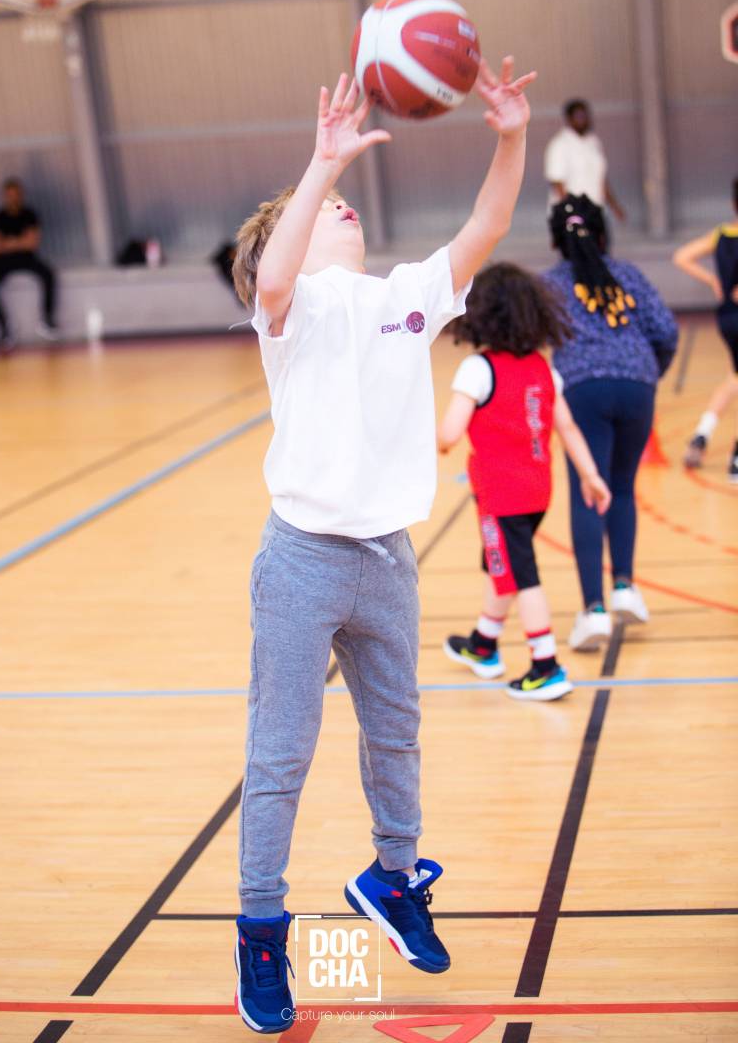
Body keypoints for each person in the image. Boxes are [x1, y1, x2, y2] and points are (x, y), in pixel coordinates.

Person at [230, 58, 536, 1035]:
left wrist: (510, 136)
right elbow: (273, 269)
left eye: (344, 201)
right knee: (280, 757)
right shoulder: (292, 311)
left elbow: (484, 230)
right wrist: (317, 165)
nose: (345, 210)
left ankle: (391, 880)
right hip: (300, 560)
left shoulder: (405, 296)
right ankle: (261, 936)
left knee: (396, 737)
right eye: (326, 210)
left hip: (385, 560)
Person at [438, 263, 611, 702]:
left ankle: (545, 664)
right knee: (501, 566)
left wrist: (430, 437)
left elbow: (448, 436)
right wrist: (590, 475)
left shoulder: (478, 369)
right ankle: (484, 643)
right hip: (537, 491)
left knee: (521, 574)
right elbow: (567, 428)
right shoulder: (542, 368)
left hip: (501, 495)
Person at [543, 194, 678, 651]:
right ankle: (624, 586)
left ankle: (594, 613)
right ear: (603, 234)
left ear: (556, 241)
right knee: (621, 487)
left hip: (582, 390)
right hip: (638, 385)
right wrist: (644, 376)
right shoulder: (629, 275)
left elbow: (525, 333)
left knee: (588, 492)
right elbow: (666, 331)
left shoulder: (551, 284)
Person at [673, 178, 738, 481]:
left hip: (726, 317)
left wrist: (714, 281)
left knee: (735, 377)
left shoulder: (721, 234)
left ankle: (701, 434)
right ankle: (736, 457)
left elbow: (682, 257)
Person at [0, 178, 58, 351]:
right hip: (4, 260)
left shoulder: (29, 215)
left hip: (26, 258)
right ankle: (4, 327)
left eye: (16, 195)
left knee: (48, 274)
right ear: (4, 197)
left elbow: (31, 244)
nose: (13, 198)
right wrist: (18, 241)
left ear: (21, 196)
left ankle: (47, 319)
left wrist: (7, 243)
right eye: (10, 195)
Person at [544, 99, 625, 243]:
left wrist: (614, 206)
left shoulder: (593, 142)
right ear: (569, 119)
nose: (584, 120)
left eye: (585, 116)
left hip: (596, 211)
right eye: (579, 117)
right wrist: (571, 213)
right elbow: (557, 182)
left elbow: (600, 178)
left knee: (600, 256)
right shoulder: (560, 145)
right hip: (574, 214)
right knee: (577, 258)